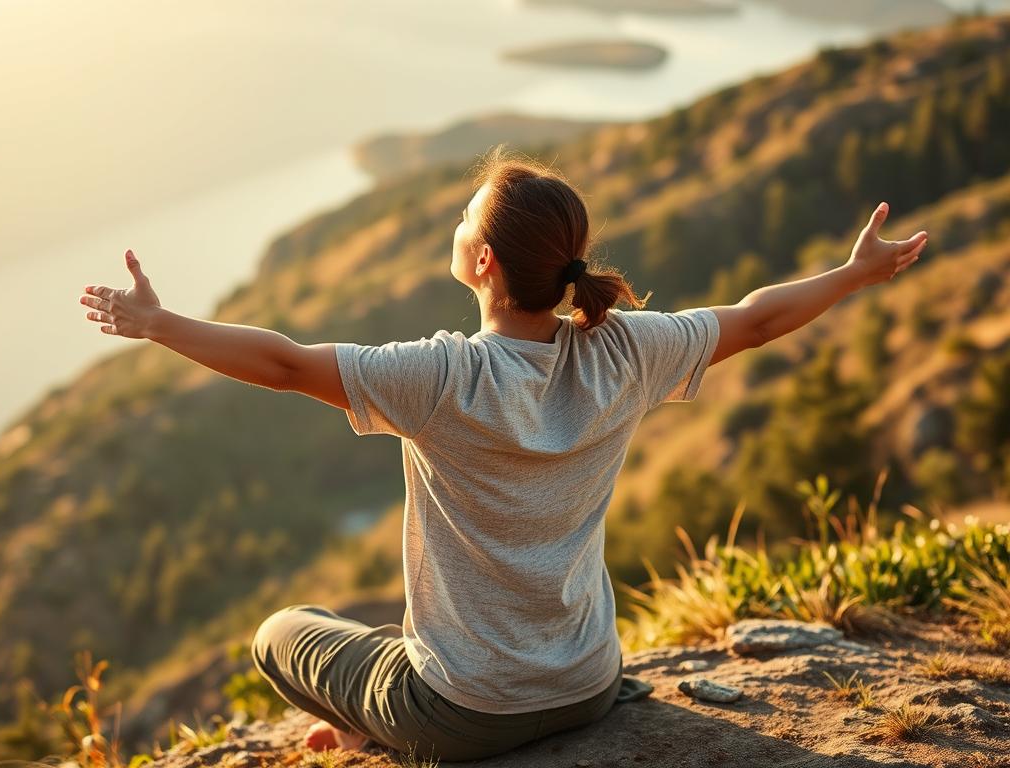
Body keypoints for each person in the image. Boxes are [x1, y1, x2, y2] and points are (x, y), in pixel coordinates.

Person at [78, 148, 928, 761]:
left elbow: (284, 362)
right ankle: (372, 723)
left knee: (281, 633)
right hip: (589, 686)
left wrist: (157, 325)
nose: (453, 224)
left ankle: (374, 730)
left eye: (463, 218)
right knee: (384, 636)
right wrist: (853, 275)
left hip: (466, 715)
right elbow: (756, 318)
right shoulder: (625, 350)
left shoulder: (441, 376)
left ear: (482, 261)